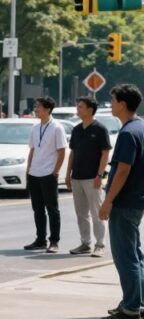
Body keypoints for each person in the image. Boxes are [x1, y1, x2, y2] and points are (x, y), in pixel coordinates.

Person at [99, 84, 144, 319]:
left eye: (113, 100)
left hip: (124, 202)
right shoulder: (141, 127)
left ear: (123, 104)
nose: (111, 104)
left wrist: (108, 201)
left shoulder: (128, 133)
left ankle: (130, 307)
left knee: (126, 257)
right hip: (136, 200)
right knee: (135, 255)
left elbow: (123, 170)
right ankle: (138, 301)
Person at [65, 96, 110, 257]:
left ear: (90, 109)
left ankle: (100, 244)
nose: (77, 110)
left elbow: (105, 153)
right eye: (77, 107)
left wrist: (100, 174)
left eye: (80, 107)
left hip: (93, 178)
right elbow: (73, 153)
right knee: (81, 213)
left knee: (97, 212)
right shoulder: (77, 129)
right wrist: (68, 173)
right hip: (77, 177)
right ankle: (85, 243)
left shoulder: (100, 129)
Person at [23, 97, 66, 253]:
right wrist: (28, 170)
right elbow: (33, 150)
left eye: (38, 107)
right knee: (37, 209)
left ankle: (54, 241)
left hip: (48, 174)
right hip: (34, 173)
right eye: (36, 106)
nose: (36, 109)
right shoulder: (35, 128)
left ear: (47, 109)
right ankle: (40, 239)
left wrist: (55, 171)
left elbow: (61, 151)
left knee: (52, 209)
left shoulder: (57, 127)